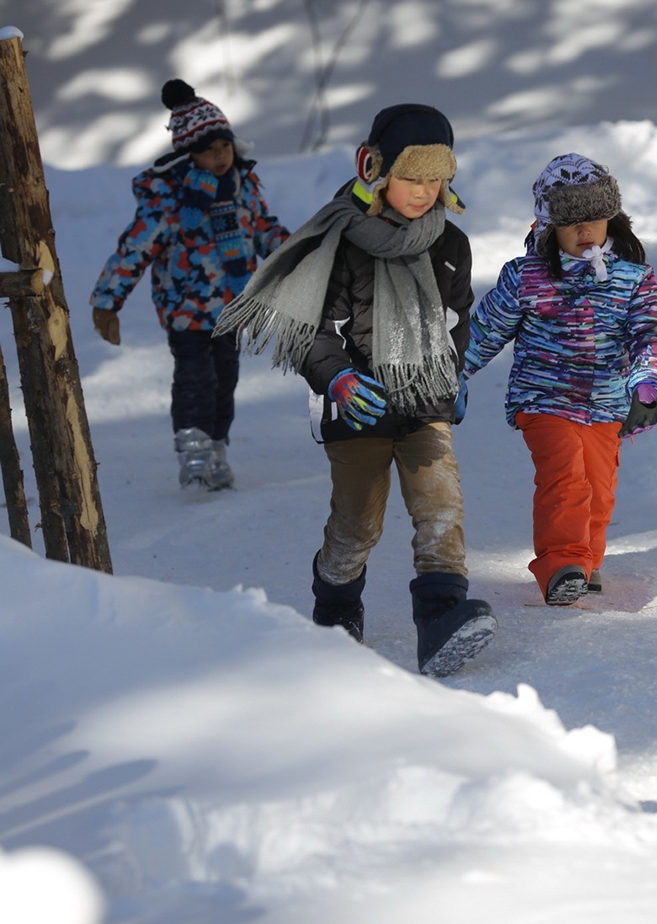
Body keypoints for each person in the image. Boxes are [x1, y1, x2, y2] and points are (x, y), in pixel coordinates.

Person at [215, 103, 496, 676]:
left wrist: (455, 370)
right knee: (357, 523)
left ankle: (440, 619)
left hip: (424, 402)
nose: (423, 192)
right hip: (356, 405)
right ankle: (337, 604)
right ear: (376, 170)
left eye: (436, 179)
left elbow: (455, 318)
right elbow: (312, 327)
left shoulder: (451, 244)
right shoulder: (340, 240)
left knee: (441, 507)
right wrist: (337, 376)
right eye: (411, 178)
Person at [463, 153, 657, 606]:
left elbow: (646, 333)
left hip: (607, 402)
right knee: (566, 478)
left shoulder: (633, 278)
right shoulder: (527, 277)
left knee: (598, 486)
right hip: (543, 398)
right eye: (572, 224)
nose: (585, 233)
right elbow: (486, 330)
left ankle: (586, 561)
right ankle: (562, 564)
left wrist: (647, 385)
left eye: (595, 221)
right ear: (547, 227)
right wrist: (453, 375)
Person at [90, 80, 290, 490]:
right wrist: (108, 301)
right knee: (195, 379)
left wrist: (300, 255)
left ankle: (216, 448)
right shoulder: (170, 198)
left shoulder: (243, 187)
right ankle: (193, 451)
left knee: (226, 381)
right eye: (208, 150)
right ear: (189, 154)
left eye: (225, 147)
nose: (219, 157)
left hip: (233, 308)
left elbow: (264, 231)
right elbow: (136, 247)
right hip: (185, 311)